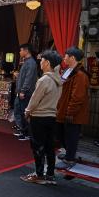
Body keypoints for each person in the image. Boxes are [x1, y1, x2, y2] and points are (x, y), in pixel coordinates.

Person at [21, 50, 62, 185]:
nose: (40, 63)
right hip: (51, 116)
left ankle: (39, 174)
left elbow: (34, 100)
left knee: (37, 146)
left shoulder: (44, 79)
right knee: (49, 146)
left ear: (47, 63)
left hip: (39, 116)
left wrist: (27, 112)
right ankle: (50, 174)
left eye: (42, 60)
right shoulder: (58, 80)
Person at [56, 47, 90, 169]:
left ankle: (70, 159)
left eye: (66, 56)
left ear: (72, 58)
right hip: (63, 109)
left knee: (71, 135)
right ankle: (68, 154)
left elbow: (77, 97)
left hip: (72, 113)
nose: (64, 58)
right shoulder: (68, 70)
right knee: (63, 134)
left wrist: (70, 112)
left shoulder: (80, 75)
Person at [13, 44, 38, 141]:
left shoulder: (31, 63)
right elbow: (25, 76)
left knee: (24, 113)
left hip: (25, 93)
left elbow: (28, 79)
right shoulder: (27, 62)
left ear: (26, 51)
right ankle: (22, 131)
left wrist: (23, 91)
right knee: (18, 110)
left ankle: (26, 133)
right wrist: (18, 75)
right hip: (21, 91)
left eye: (21, 50)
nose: (20, 52)